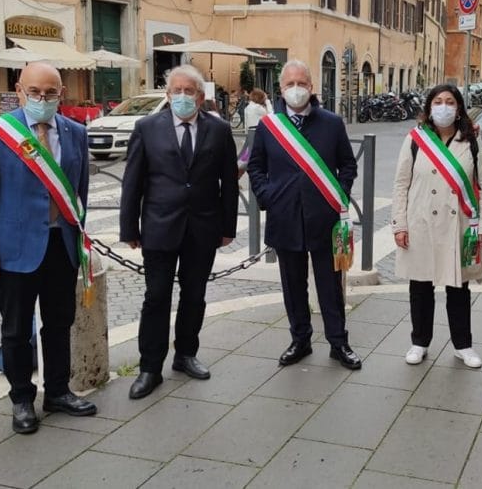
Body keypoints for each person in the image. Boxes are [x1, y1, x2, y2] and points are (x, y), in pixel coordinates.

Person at [0, 62, 97, 434]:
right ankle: (22, 399)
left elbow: (79, 193)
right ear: (19, 91)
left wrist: (80, 240)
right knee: (17, 328)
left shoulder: (75, 132)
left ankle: (57, 391)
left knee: (59, 323)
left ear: (62, 94)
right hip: (15, 250)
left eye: (50, 93)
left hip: (61, 246)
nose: (42, 99)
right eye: (35, 92)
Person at [120, 65, 239, 399]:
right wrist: (129, 227)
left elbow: (228, 184)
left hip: (202, 228)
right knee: (156, 297)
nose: (183, 97)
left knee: (194, 295)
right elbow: (132, 182)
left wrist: (227, 227)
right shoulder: (146, 128)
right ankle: (149, 368)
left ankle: (186, 354)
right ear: (168, 94)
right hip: (159, 227)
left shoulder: (219, 130)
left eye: (190, 91)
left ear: (201, 97)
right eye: (177, 91)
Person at [247, 60, 362, 370]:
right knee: (293, 285)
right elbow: (255, 166)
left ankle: (339, 343)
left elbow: (348, 165)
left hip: (324, 218)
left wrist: (339, 194)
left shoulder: (332, 123)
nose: (296, 89)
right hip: (284, 218)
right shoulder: (270, 127)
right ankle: (300, 340)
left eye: (301, 83)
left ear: (312, 87)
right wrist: (267, 195)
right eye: (289, 84)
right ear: (281, 90)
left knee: (330, 284)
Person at [391, 85, 482, 368]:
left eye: (450, 101)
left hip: (459, 224)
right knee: (420, 287)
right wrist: (399, 224)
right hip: (421, 222)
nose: (444, 107)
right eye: (438, 101)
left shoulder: (471, 139)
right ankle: (419, 341)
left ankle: (463, 345)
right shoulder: (416, 138)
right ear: (429, 107)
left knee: (459, 287)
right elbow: (401, 184)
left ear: (459, 107)